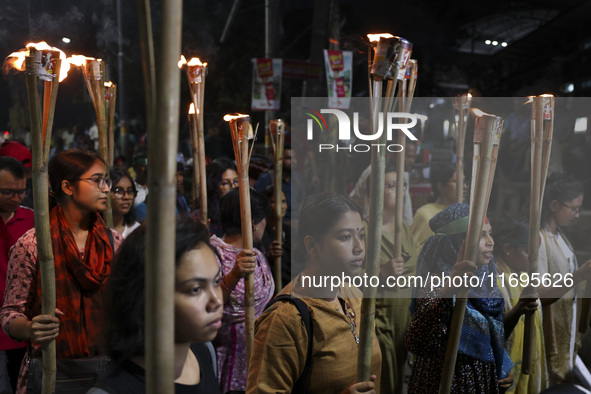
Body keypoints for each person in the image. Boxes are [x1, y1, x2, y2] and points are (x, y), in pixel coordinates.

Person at [0, 149, 123, 393]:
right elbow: (9, 314)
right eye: (96, 180)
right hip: (50, 370)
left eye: (106, 180)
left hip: (108, 369)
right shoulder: (33, 244)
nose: (107, 188)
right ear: (67, 187)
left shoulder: (114, 242)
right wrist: (31, 327)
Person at [246, 193, 381, 394]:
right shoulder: (286, 319)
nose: (359, 247)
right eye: (345, 237)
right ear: (311, 245)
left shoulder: (353, 292)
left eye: (360, 235)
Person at [89, 220, 222, 393]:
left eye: (217, 281)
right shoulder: (113, 390)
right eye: (196, 289)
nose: (216, 301)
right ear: (148, 296)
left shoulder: (204, 351)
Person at [405, 203, 514, 393]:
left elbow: (490, 337)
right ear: (456, 242)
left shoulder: (486, 284)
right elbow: (417, 339)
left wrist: (502, 367)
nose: (491, 241)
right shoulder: (437, 282)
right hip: (445, 382)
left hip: (482, 382)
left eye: (490, 233)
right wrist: (450, 289)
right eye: (481, 235)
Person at [210, 188, 274, 393]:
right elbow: (210, 303)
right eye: (264, 218)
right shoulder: (212, 252)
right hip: (226, 358)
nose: (267, 224)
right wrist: (235, 274)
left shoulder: (256, 254)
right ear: (254, 221)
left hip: (258, 357)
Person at [537, 173, 591, 385]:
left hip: (566, 326)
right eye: (574, 208)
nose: (577, 215)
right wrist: (578, 276)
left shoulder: (560, 236)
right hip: (550, 331)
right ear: (554, 205)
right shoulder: (540, 240)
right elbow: (540, 295)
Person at [370, 163, 418, 394]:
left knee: (400, 380)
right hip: (381, 319)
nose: (399, 190)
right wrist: (380, 272)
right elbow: (347, 277)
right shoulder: (365, 230)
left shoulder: (404, 230)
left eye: (403, 186)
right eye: (391, 185)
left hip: (404, 318)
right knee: (384, 379)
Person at [491, 217, 547, 393]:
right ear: (508, 249)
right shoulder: (495, 280)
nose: (533, 259)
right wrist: (518, 310)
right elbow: (494, 330)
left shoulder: (524, 277)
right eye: (527, 252)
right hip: (505, 365)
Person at [0, 157, 34, 393]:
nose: (17, 198)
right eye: (8, 192)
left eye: (22, 192)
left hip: (20, 327)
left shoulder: (34, 220)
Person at [349, 144, 416, 227]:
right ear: (394, 155)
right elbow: (368, 203)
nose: (412, 161)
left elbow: (406, 206)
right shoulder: (376, 170)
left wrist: (407, 228)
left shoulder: (403, 174)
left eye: (413, 157)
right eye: (408, 157)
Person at [410, 161, 463, 250]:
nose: (463, 186)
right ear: (441, 186)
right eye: (456, 182)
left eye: (464, 181)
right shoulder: (425, 214)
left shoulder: (463, 213)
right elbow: (414, 252)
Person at [255, 143, 305, 225]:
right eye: (289, 158)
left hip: (296, 221)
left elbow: (302, 202)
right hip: (277, 222)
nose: (293, 161)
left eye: (295, 158)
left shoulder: (298, 178)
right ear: (279, 160)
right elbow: (258, 207)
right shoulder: (267, 179)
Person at [260, 185, 293, 288]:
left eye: (283, 201)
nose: (281, 206)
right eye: (275, 202)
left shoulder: (287, 230)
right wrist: (269, 256)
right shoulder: (261, 232)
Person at [206, 157, 238, 237]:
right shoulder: (205, 216)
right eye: (225, 183)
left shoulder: (245, 213)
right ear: (214, 186)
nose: (233, 187)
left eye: (236, 182)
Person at [109, 168, 140, 238]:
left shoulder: (135, 231)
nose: (126, 197)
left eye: (129, 191)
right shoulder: (94, 231)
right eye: (119, 191)